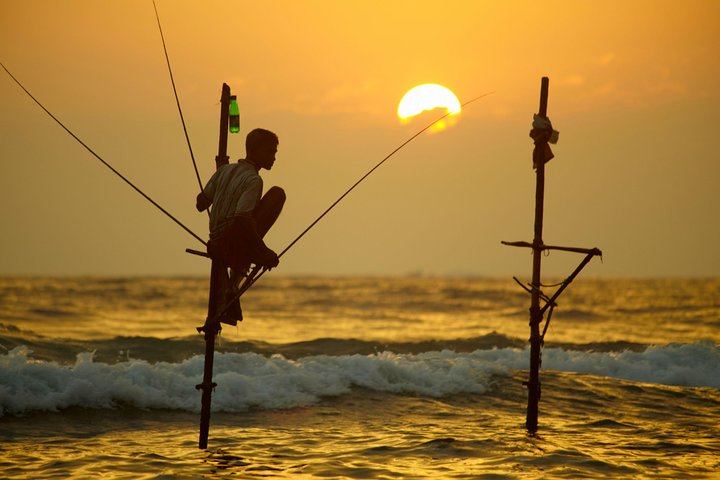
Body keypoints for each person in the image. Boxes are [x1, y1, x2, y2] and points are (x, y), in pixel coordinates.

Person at [196, 128, 285, 297]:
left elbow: (201, 204)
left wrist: (219, 182)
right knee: (277, 194)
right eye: (269, 152)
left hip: (215, 243)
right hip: (230, 244)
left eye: (275, 153)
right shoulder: (253, 179)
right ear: (253, 151)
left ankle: (232, 283)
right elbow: (242, 220)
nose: (273, 158)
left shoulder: (224, 170)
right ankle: (236, 280)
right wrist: (264, 251)